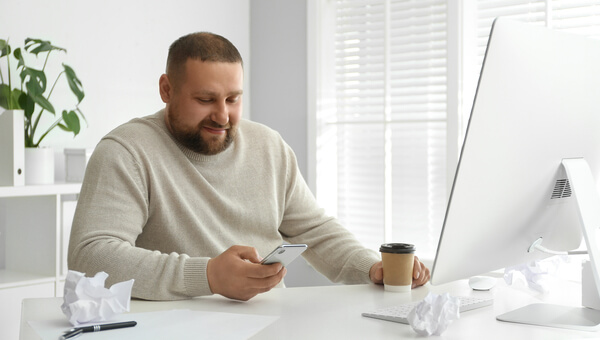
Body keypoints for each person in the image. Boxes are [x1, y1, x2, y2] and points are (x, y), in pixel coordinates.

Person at [68, 32, 430, 301]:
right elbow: (91, 256)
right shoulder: (127, 152)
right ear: (166, 89)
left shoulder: (269, 146)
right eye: (205, 99)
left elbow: (316, 230)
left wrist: (370, 267)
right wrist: (207, 275)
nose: (222, 115)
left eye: (233, 99)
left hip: (273, 324)